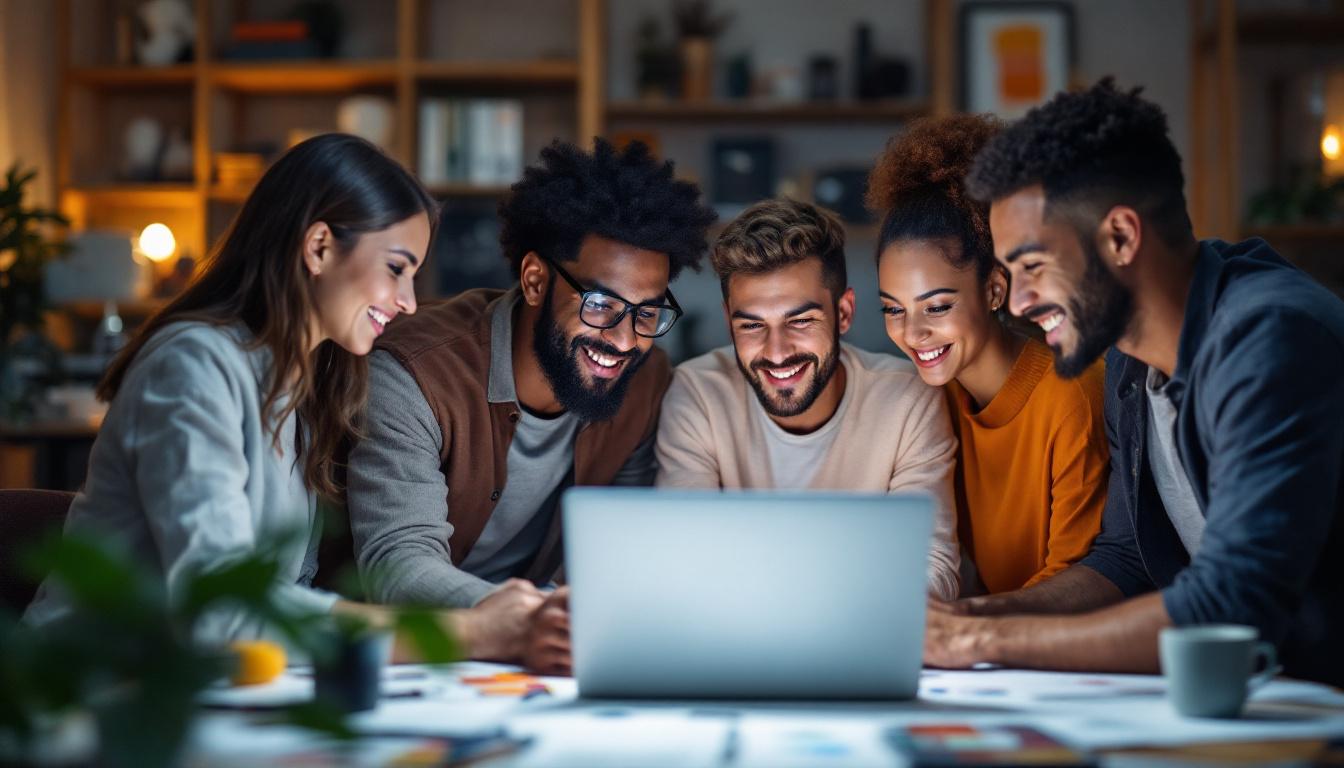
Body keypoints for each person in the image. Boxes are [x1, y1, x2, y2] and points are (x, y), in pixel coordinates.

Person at [24, 134, 536, 659]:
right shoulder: (192, 367)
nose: (408, 302)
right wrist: (470, 633)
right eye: (396, 269)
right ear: (318, 248)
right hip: (85, 696)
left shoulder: (307, 389)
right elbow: (223, 611)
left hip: (202, 695)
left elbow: (281, 601)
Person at [925, 79, 1344, 688]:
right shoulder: (1127, 355)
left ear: (1120, 236)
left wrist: (973, 641)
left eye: (1034, 267)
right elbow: (1124, 561)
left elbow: (1231, 603)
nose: (1017, 301)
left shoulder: (1271, 338)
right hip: (1262, 696)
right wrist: (965, 614)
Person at [346, 138, 717, 674]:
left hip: (548, 656)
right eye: (601, 305)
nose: (625, 339)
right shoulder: (415, 372)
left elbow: (621, 543)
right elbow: (396, 566)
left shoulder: (646, 380)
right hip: (412, 654)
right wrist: (521, 622)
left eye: (647, 314)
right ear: (536, 280)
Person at [656, 198, 961, 600]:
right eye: (751, 325)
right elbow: (685, 554)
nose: (777, 351)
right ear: (729, 320)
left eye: (800, 321)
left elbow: (934, 563)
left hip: (860, 636)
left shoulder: (907, 398)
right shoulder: (697, 393)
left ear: (845, 312)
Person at [867, 114, 1108, 595]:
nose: (913, 333)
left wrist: (965, 628)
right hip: (993, 646)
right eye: (893, 309)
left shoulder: (1071, 394)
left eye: (937, 306)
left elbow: (1083, 580)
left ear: (995, 288)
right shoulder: (929, 400)